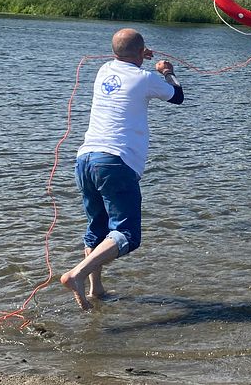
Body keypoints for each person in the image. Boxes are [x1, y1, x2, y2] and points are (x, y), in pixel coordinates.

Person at [60, 28, 183, 310]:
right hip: (115, 162)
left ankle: (96, 289)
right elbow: (177, 97)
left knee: (97, 228)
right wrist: (166, 71)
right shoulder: (146, 78)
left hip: (85, 159)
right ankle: (77, 275)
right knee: (127, 235)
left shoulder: (103, 69)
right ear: (141, 54)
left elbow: (125, 58)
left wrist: (138, 56)